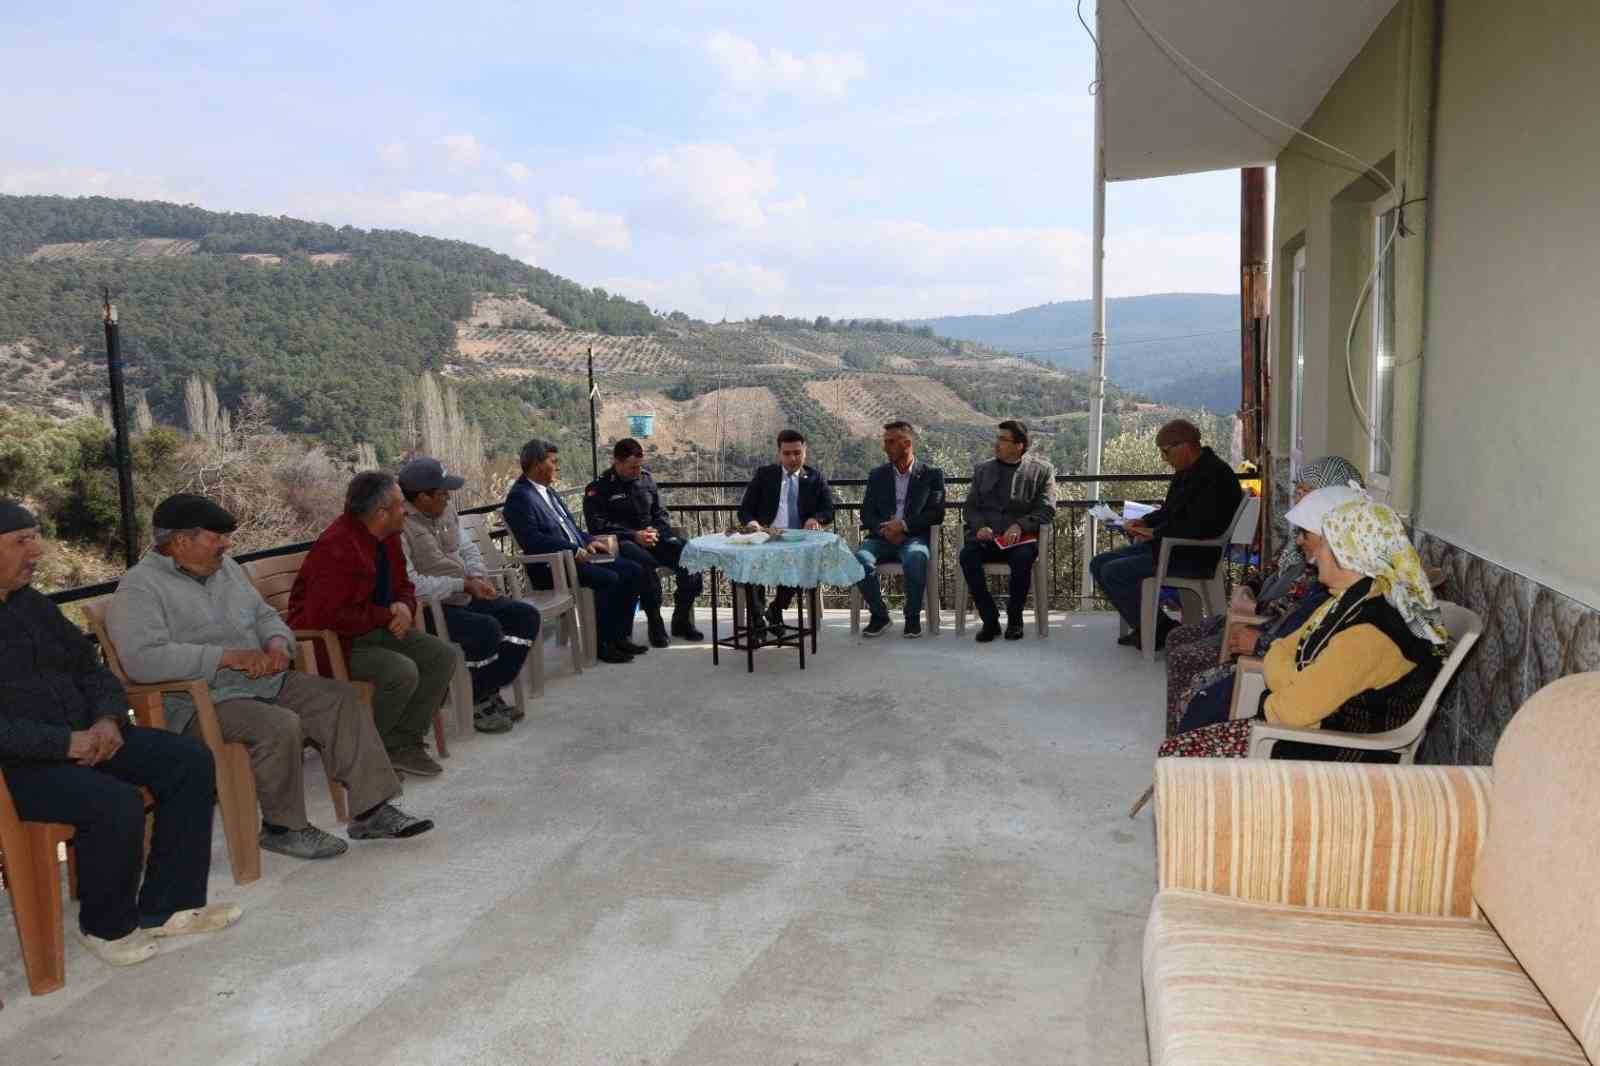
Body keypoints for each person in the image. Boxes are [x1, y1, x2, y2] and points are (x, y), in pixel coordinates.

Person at [108, 494, 431, 854]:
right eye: (216, 538)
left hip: (261, 681)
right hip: (200, 702)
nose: (226, 545)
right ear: (181, 541)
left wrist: (278, 644)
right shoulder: (140, 587)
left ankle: (372, 811)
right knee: (279, 723)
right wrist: (225, 657)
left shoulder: (226, 569)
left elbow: (264, 616)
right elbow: (142, 659)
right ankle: (282, 827)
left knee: (341, 698)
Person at [0, 499, 240, 967]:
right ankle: (106, 927)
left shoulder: (33, 606)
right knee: (114, 801)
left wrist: (109, 719)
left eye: (35, 537)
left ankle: (168, 906)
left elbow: (93, 672)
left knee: (187, 760)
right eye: (21, 541)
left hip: (90, 735)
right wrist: (63, 744)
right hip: (20, 766)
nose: (37, 551)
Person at [1158, 489, 1448, 761]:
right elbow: (1283, 649)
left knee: (1179, 758)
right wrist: (1292, 680)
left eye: (1326, 545)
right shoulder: (1350, 601)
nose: (1315, 553)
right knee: (1182, 748)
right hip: (1308, 733)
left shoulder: (1369, 632)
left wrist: (1283, 687)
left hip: (1332, 755)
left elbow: (1290, 711)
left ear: (1348, 555)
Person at [1162, 456, 1364, 734]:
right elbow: (1268, 574)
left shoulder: (1335, 581)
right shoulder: (1304, 546)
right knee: (1178, 639)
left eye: (1306, 492)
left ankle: (1182, 750)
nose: (1297, 498)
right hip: (1259, 626)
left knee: (1193, 670)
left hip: (1263, 634)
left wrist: (1258, 638)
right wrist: (1247, 590)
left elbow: (1300, 634)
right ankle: (1178, 745)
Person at [289, 472, 457, 779]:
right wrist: (387, 616)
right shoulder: (336, 547)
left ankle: (401, 742)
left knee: (442, 656)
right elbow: (329, 615)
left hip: (374, 629)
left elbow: (404, 585)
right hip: (334, 642)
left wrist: (405, 607)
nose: (404, 510)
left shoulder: (388, 537)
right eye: (398, 505)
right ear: (381, 513)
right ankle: (367, 753)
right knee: (399, 671)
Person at [398, 457, 540, 734]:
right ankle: (480, 701)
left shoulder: (446, 511)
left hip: (466, 592)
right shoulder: (399, 526)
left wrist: (475, 577)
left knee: (525, 617)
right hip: (431, 607)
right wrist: (461, 585)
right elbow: (411, 583)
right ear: (422, 497)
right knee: (485, 630)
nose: (448, 497)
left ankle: (485, 690)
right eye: (442, 492)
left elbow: (468, 550)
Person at [1088, 418, 1244, 650]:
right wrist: (1144, 521)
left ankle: (1160, 631)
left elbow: (1202, 527)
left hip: (1190, 555)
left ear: (1185, 446)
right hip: (1169, 547)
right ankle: (1151, 627)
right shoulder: (1187, 472)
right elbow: (1170, 511)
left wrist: (1155, 532)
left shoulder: (1216, 476)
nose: (1164, 459)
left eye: (1166, 452)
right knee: (1098, 563)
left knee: (1113, 572)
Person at [504, 439, 646, 665]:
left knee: (633, 571)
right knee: (609, 578)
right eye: (553, 461)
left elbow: (571, 528)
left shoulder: (548, 492)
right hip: (552, 568)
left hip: (577, 558)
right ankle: (602, 643)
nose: (557, 466)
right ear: (537, 464)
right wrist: (573, 548)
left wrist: (589, 540)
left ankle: (620, 636)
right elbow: (533, 541)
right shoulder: (520, 498)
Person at [583, 438, 703, 647]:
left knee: (691, 556)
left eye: (640, 466)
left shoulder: (647, 480)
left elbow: (661, 514)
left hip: (654, 538)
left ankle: (681, 619)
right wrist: (634, 535)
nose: (637, 471)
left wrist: (653, 531)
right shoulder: (599, 488)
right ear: (617, 462)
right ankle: (655, 622)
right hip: (624, 544)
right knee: (644, 566)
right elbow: (598, 526)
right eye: (632, 467)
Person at [960, 419, 1056, 642]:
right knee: (967, 556)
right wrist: (979, 526)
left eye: (1003, 439)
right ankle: (990, 620)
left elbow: (1046, 508)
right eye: (998, 438)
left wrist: (1020, 525)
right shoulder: (983, 470)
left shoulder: (1042, 471)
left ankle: (1015, 620)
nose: (997, 443)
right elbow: (971, 507)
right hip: (988, 538)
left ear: (1019, 445)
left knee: (1022, 559)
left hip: (1020, 541)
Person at [736, 428, 836, 631]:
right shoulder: (765, 475)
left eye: (797, 453)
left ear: (805, 451)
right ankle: (757, 622)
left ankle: (776, 609)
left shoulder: (816, 478)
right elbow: (745, 510)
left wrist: (815, 518)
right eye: (787, 453)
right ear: (779, 453)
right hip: (765, 538)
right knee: (750, 568)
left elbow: (828, 511)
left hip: (796, 542)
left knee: (802, 566)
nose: (792, 458)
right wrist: (752, 523)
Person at [854, 421, 946, 639]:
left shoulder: (932, 475)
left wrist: (903, 526)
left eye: (891, 442)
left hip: (913, 538)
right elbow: (866, 513)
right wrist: (884, 529)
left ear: (907, 443)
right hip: (881, 537)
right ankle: (880, 615)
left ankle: (912, 617)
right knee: (859, 560)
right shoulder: (877, 475)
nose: (885, 447)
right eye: (885, 442)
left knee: (916, 557)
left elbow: (936, 514)